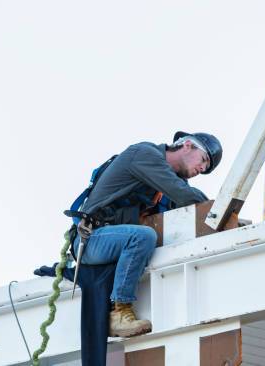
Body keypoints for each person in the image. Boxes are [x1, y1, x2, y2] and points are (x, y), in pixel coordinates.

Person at [72, 131, 222, 337]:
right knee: (143, 236)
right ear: (187, 145)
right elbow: (185, 196)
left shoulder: (167, 185)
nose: (203, 168)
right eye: (204, 159)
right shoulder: (145, 154)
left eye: (206, 169)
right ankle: (119, 312)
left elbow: (185, 205)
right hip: (92, 239)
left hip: (114, 241)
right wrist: (219, 210)